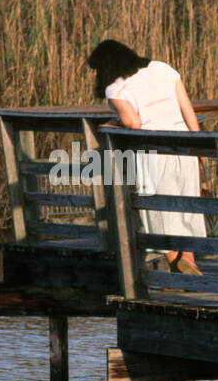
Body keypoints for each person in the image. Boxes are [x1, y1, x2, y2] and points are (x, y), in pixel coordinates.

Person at [86, 39, 204, 275]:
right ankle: (189, 264)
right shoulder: (163, 68)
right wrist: (199, 146)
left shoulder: (115, 88)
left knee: (156, 212)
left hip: (154, 152)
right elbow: (187, 108)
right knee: (185, 208)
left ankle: (179, 269)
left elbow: (133, 123)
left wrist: (113, 122)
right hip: (186, 146)